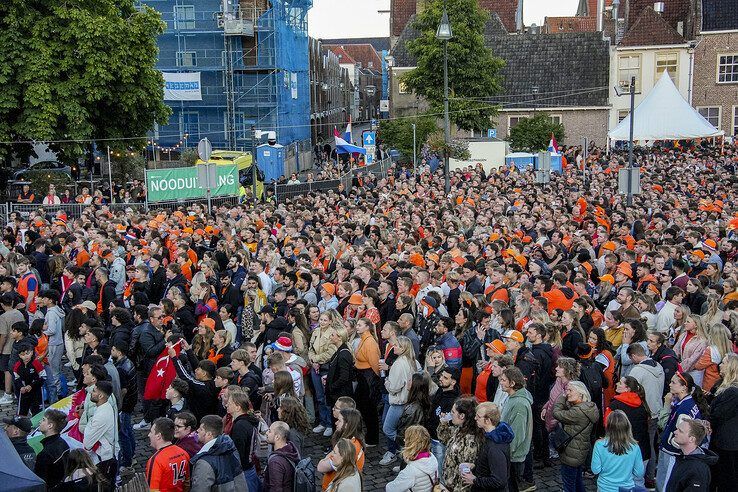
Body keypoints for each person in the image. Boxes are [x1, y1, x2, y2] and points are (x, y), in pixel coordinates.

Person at [656, 372, 709, 491]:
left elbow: (682, 436)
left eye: (673, 382)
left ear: (684, 388)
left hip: (672, 453)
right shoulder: (687, 402)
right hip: (674, 454)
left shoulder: (685, 409)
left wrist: (671, 441)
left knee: (665, 486)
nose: (670, 385)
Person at [552, 381, 599, 492]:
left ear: (581, 394)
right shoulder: (588, 408)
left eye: (570, 390)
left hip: (571, 454)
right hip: (579, 451)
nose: (567, 393)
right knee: (577, 481)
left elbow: (557, 413)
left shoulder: (577, 412)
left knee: (569, 484)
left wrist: (561, 397)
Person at [382, 335, 419, 466]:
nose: (394, 347)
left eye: (397, 345)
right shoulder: (413, 361)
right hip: (408, 402)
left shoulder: (399, 363)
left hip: (398, 402)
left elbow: (394, 388)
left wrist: (386, 382)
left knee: (388, 428)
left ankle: (404, 448)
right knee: (402, 429)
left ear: (403, 348)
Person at [462, 401, 512, 491]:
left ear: (488, 420)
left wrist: (474, 480)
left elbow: (499, 481)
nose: (475, 418)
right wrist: (474, 465)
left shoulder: (495, 447)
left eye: (478, 416)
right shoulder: (490, 437)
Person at [436, 396, 484, 492]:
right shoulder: (459, 430)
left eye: (453, 412)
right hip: (449, 484)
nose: (450, 414)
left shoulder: (471, 441)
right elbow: (444, 439)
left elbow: (465, 475)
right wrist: (443, 424)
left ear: (462, 416)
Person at [591, 410, 645, 492]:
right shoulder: (634, 446)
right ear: (627, 426)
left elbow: (595, 470)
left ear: (608, 426)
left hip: (605, 488)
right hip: (626, 488)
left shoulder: (599, 445)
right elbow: (639, 473)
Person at [499, 366, 534, 491]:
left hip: (513, 456)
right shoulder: (512, 398)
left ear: (512, 383)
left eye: (503, 380)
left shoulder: (519, 403)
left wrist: (506, 454)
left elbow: (518, 434)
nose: (500, 382)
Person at [190, 414, 247, 490]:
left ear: (209, 434)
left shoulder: (204, 462)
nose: (197, 431)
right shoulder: (231, 448)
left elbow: (200, 488)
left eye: (201, 429)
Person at [708, 353, 738, 492]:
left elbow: (717, 415)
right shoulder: (720, 385)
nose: (720, 365)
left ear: (731, 367)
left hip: (728, 444)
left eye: (724, 362)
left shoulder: (733, 391)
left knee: (728, 479)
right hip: (721, 440)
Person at [665, 418, 718, 492]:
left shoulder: (697, 469)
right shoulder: (683, 458)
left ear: (692, 439)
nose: (675, 432)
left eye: (680, 431)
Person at [83, 380, 119, 485]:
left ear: (100, 396)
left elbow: (87, 442)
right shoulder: (104, 407)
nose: (91, 392)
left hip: (103, 459)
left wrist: (88, 427)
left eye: (94, 391)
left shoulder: (101, 415)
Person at [385, 425, 439, 492]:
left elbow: (391, 489)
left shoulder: (410, 471)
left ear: (411, 443)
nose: (404, 440)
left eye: (406, 439)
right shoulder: (432, 457)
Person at [145, 417, 190, 492]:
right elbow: (187, 482)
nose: (149, 435)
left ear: (158, 436)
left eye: (151, 432)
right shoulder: (184, 453)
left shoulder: (156, 460)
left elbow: (153, 490)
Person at [35, 409, 70, 488]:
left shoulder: (45, 454)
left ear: (50, 425)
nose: (40, 422)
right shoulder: (64, 443)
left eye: (43, 420)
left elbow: (40, 483)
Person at [263, 420, 300, 491]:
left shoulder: (275, 462)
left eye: (270, 431)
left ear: (277, 437)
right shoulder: (292, 449)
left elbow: (276, 489)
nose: (267, 433)